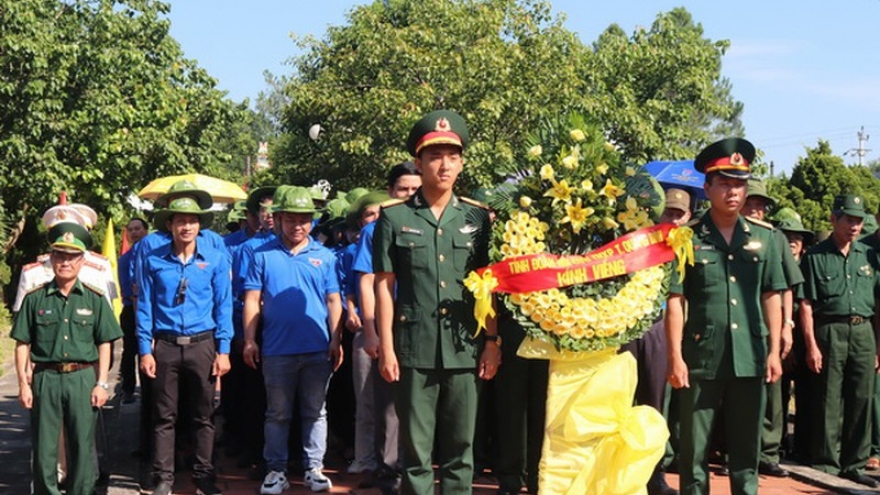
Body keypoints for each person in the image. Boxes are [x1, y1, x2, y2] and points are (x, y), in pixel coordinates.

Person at [374, 110, 500, 495]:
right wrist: (387, 348)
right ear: (419, 161)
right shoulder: (394, 218)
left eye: (452, 156)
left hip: (465, 345)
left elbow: (488, 285)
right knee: (416, 452)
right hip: (414, 347)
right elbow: (383, 285)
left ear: (461, 162)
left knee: (462, 450)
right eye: (434, 156)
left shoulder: (478, 218)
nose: (444, 165)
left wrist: (492, 341)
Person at [666, 137, 786, 495]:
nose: (733, 192)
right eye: (725, 183)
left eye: (739, 183)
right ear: (707, 187)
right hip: (701, 357)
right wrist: (675, 355)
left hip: (750, 357)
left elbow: (772, 296)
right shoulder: (686, 238)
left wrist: (775, 350)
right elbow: (676, 299)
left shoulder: (766, 239)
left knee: (746, 448)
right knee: (694, 450)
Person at [242, 186, 343, 494]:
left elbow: (334, 301)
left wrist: (336, 341)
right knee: (278, 413)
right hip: (276, 351)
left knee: (316, 412)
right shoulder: (261, 255)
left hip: (316, 349)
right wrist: (249, 340)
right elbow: (252, 298)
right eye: (291, 219)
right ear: (279, 219)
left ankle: (314, 468)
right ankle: (276, 470)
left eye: (304, 219)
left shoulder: (325, 257)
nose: (297, 226)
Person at [12, 222, 122, 495]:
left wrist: (102, 383)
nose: (65, 262)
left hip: (82, 378)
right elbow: (22, 343)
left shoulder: (95, 299)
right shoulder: (35, 298)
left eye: (72, 257)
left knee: (82, 447)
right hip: (45, 379)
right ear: (51, 259)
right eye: (59, 255)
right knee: (44, 448)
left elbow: (105, 343)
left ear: (82, 261)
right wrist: (24, 384)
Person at [137, 194, 233, 495]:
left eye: (192, 221)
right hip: (165, 345)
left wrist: (225, 349)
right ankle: (163, 476)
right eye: (180, 220)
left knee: (204, 414)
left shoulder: (214, 259)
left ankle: (204, 474)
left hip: (202, 344)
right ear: (170, 224)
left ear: (199, 225)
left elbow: (224, 305)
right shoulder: (153, 261)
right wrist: (144, 349)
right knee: (164, 415)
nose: (187, 226)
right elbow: (145, 307)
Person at [799, 194, 880, 487]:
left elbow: (878, 303)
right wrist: (811, 345)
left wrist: (878, 347)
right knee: (828, 398)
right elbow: (805, 303)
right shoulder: (815, 256)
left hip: (863, 331)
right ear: (834, 219)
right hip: (830, 329)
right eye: (849, 220)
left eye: (859, 221)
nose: (854, 227)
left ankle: (855, 463)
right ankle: (826, 462)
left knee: (862, 397)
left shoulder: (869, 256)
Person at [351, 162, 421, 491]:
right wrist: (372, 329)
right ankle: (389, 471)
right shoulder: (375, 230)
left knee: (422, 404)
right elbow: (366, 282)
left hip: (422, 327)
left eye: (415, 189)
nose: (409, 195)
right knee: (387, 406)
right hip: (387, 325)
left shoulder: (431, 223)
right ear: (390, 192)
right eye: (403, 189)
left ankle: (418, 469)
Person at [620, 187, 692, 495]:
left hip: (662, 328)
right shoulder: (638, 239)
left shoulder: (689, 246)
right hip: (628, 325)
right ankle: (619, 473)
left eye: (679, 214)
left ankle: (655, 475)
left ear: (688, 217)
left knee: (655, 405)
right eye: (669, 213)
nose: (673, 220)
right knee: (620, 402)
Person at [743, 179, 804, 477]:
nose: (756, 210)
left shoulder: (775, 238)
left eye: (760, 205)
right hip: (736, 322)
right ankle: (736, 449)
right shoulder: (726, 234)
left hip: (768, 323)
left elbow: (788, 285)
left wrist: (787, 325)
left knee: (772, 389)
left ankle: (767, 452)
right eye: (751, 203)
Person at [118, 217, 149, 403]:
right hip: (131, 308)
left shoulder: (152, 253)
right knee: (130, 350)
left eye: (138, 228)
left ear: (146, 230)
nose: (134, 232)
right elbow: (128, 288)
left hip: (148, 308)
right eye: (130, 230)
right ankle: (128, 389)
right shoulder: (125, 259)